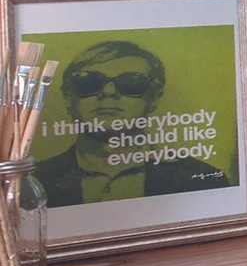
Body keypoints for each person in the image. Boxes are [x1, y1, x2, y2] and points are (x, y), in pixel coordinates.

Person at [31, 41, 232, 208]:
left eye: (131, 83)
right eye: (89, 83)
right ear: (68, 98)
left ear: (154, 99)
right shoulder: (31, 182)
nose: (108, 92)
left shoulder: (203, 178)